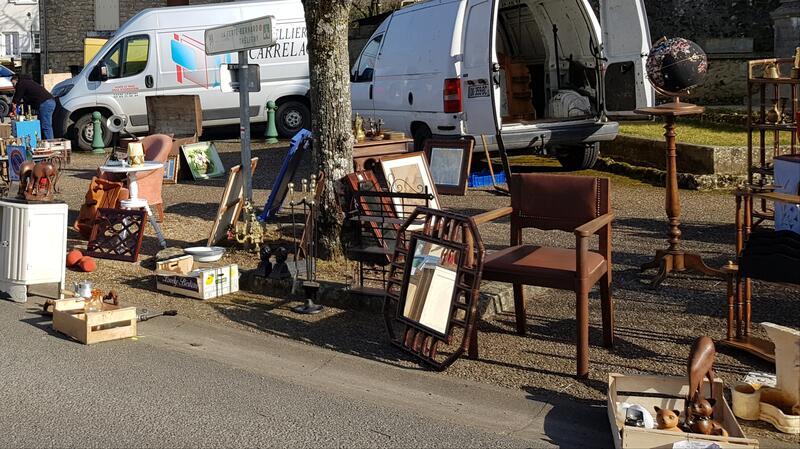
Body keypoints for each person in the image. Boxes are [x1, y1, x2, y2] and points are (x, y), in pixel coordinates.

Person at [10, 74, 56, 140]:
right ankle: (44, 141)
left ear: (17, 80)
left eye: (13, 83)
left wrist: (12, 108)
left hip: (45, 103)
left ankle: (50, 143)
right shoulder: (28, 83)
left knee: (46, 125)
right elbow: (26, 102)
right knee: (42, 124)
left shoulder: (22, 83)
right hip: (48, 102)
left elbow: (17, 97)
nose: (13, 86)